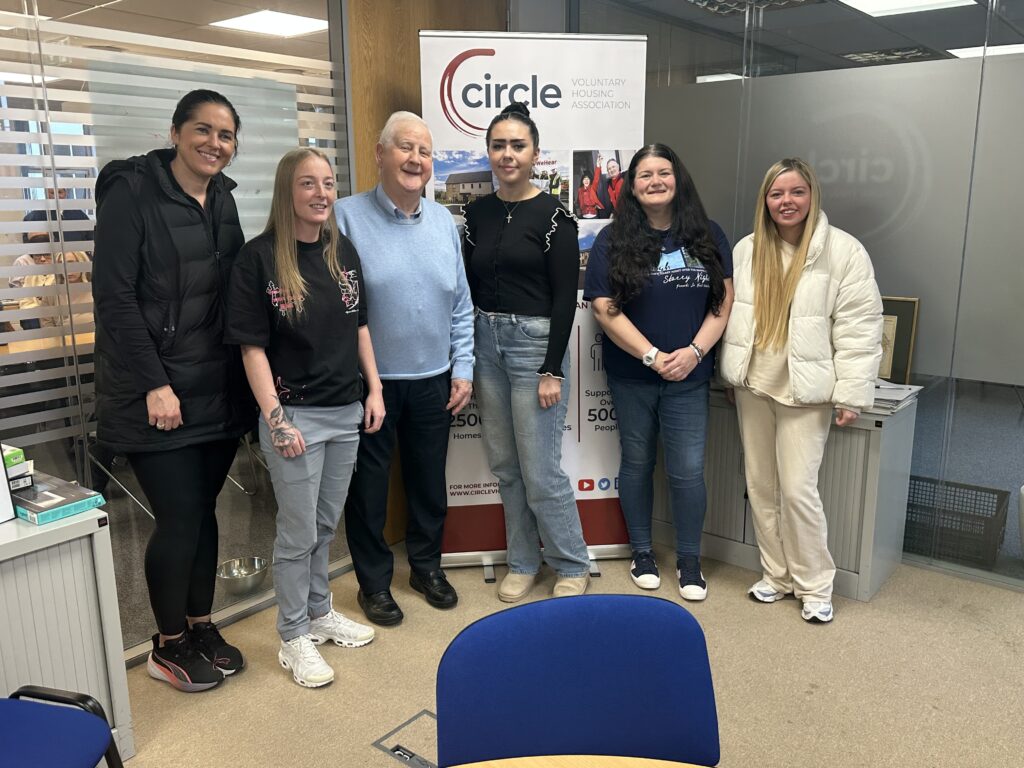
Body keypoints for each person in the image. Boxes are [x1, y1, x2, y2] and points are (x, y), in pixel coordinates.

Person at [93, 89, 253, 692]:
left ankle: (200, 626)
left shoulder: (223, 200)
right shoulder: (131, 191)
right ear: (175, 132)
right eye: (203, 130)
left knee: (204, 516)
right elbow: (114, 298)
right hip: (154, 395)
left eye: (226, 135)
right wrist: (156, 384)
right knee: (180, 517)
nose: (215, 143)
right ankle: (166, 643)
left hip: (215, 389)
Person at [226, 148, 384, 687]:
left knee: (323, 525)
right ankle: (293, 634)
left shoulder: (345, 254)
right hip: (293, 416)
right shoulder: (259, 259)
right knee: (296, 533)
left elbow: (361, 329)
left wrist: (375, 390)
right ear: (286, 192)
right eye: (307, 184)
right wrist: (275, 419)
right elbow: (252, 350)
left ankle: (319, 613)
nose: (321, 194)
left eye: (328, 183)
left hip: (345, 411)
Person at [718, 157, 882, 623]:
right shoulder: (747, 249)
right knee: (761, 487)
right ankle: (776, 576)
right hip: (754, 386)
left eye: (795, 192)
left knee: (797, 490)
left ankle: (815, 585)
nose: (786, 202)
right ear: (764, 201)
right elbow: (733, 319)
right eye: (776, 194)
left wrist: (852, 393)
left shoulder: (844, 252)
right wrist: (731, 374)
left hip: (806, 392)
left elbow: (858, 327)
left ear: (812, 196)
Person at [335, 111, 474, 627]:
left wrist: (464, 368)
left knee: (428, 485)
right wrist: (365, 381)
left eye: (425, 151)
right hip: (370, 384)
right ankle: (373, 583)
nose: (416, 159)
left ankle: (425, 568)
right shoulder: (344, 217)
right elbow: (340, 308)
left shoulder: (444, 223)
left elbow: (460, 303)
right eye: (405, 148)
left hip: (434, 379)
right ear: (380, 153)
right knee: (368, 491)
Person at [584, 143, 733, 601]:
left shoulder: (707, 234)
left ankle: (690, 560)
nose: (654, 181)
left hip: (689, 376)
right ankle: (643, 553)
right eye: (644, 174)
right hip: (633, 376)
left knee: (688, 471)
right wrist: (651, 355)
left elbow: (723, 301)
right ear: (630, 185)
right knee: (638, 464)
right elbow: (604, 308)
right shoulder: (612, 240)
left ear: (677, 178)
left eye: (663, 172)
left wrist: (692, 352)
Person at [464, 102, 591, 602]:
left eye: (517, 145)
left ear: (535, 153)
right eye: (499, 145)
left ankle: (572, 563)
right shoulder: (477, 213)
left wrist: (551, 368)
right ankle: (522, 560)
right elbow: (467, 288)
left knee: (541, 471)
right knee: (507, 468)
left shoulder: (555, 216)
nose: (507, 154)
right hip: (484, 342)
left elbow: (566, 299)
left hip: (533, 347)